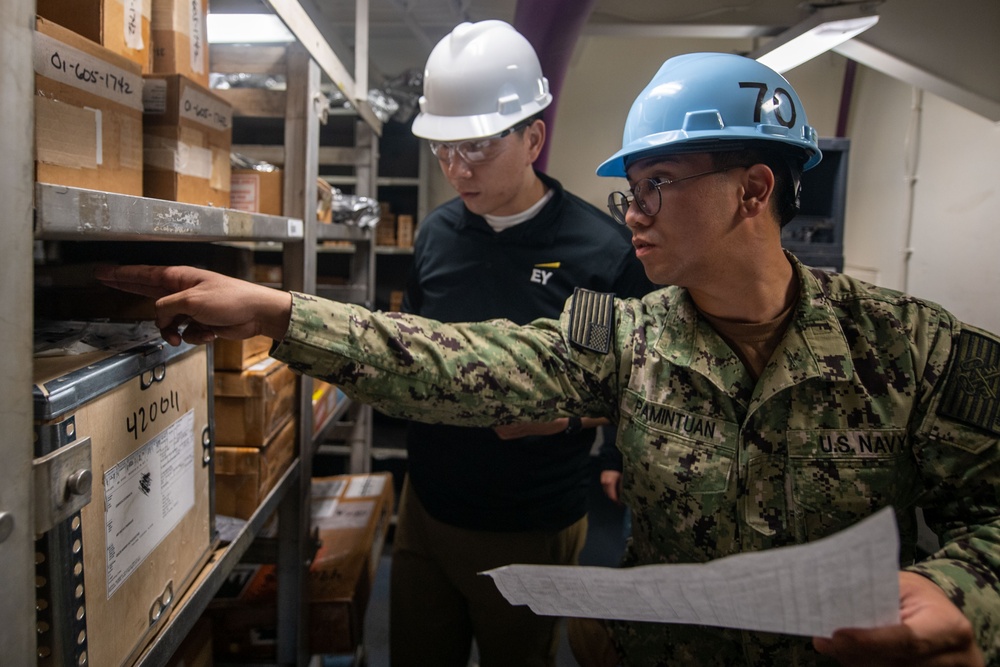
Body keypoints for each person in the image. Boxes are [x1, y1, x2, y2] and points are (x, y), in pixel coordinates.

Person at [95, 52, 998, 666]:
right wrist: (278, 310)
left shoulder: (909, 347)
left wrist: (959, 586)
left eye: (658, 185)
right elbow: (455, 358)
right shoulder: (630, 338)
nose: (633, 210)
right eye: (629, 188)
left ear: (752, 190)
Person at [392, 20, 653, 667]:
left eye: (476, 147)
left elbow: (611, 385)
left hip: (531, 521)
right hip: (425, 505)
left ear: (533, 137)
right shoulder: (435, 237)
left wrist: (566, 417)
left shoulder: (596, 255)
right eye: (444, 150)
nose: (457, 168)